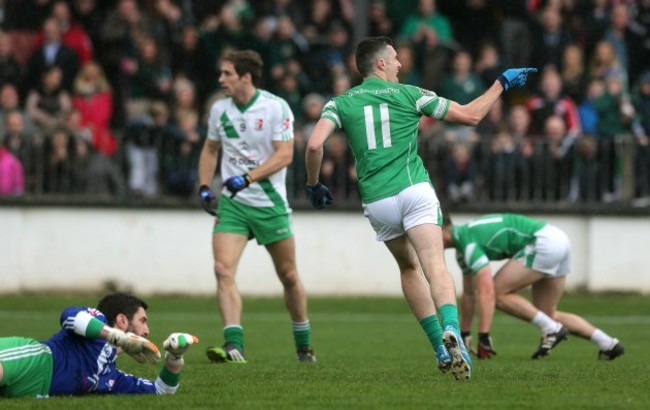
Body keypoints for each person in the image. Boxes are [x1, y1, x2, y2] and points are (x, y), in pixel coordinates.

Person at [304, 35, 536, 381]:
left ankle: (440, 348)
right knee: (434, 266)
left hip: (379, 201)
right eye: (395, 58)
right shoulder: (411, 94)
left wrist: (313, 184)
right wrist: (501, 82)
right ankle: (453, 331)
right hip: (414, 190)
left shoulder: (339, 103)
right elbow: (471, 116)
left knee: (408, 268)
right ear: (380, 63)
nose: (400, 64)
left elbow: (313, 144)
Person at [197, 50, 316, 364]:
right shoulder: (219, 110)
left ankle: (304, 345)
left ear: (245, 77)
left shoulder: (276, 107)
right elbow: (210, 148)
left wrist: (247, 178)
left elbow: (285, 155)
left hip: (269, 203)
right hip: (234, 206)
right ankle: (234, 344)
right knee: (223, 269)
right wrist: (205, 186)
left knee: (289, 275)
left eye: (227, 74)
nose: (221, 79)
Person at [441, 213, 624, 361]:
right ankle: (608, 343)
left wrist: (483, 336)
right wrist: (464, 333)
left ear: (441, 229)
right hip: (556, 238)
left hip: (543, 242)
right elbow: (469, 294)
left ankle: (552, 329)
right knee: (547, 314)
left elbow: (487, 290)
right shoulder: (463, 246)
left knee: (497, 293)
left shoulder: (467, 242)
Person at [0, 292, 198, 398]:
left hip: (34, 390)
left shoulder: (111, 377)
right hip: (35, 360)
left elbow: (161, 392)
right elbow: (69, 317)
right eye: (143, 320)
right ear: (121, 320)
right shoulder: (97, 319)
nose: (147, 331)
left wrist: (175, 357)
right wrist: (117, 337)